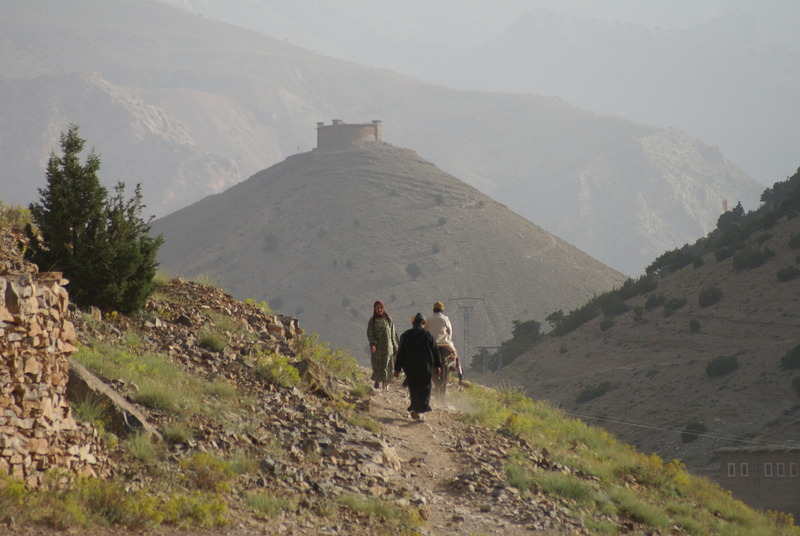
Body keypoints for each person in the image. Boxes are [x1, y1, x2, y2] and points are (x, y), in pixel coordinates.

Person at [393, 313, 442, 421]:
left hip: (410, 368)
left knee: (413, 387)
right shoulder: (428, 335)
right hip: (425, 367)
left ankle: (415, 409)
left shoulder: (405, 335)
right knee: (424, 388)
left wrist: (397, 369)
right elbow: (435, 351)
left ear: (413, 323)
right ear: (423, 323)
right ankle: (419, 411)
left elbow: (400, 353)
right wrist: (438, 365)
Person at [425, 300, 463, 381]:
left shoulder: (428, 319)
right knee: (455, 356)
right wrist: (448, 340)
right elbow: (450, 331)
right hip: (445, 344)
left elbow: (425, 332)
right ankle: (459, 374)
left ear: (433, 310)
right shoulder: (445, 319)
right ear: (442, 310)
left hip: (431, 344)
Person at [366, 300, 399, 391]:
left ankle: (385, 385)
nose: (380, 309)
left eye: (381, 308)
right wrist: (372, 343)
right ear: (374, 309)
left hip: (388, 348)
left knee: (387, 365)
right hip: (378, 348)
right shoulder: (372, 321)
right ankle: (377, 381)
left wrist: (396, 347)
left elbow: (393, 334)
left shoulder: (388, 319)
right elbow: (369, 333)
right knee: (377, 365)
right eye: (378, 308)